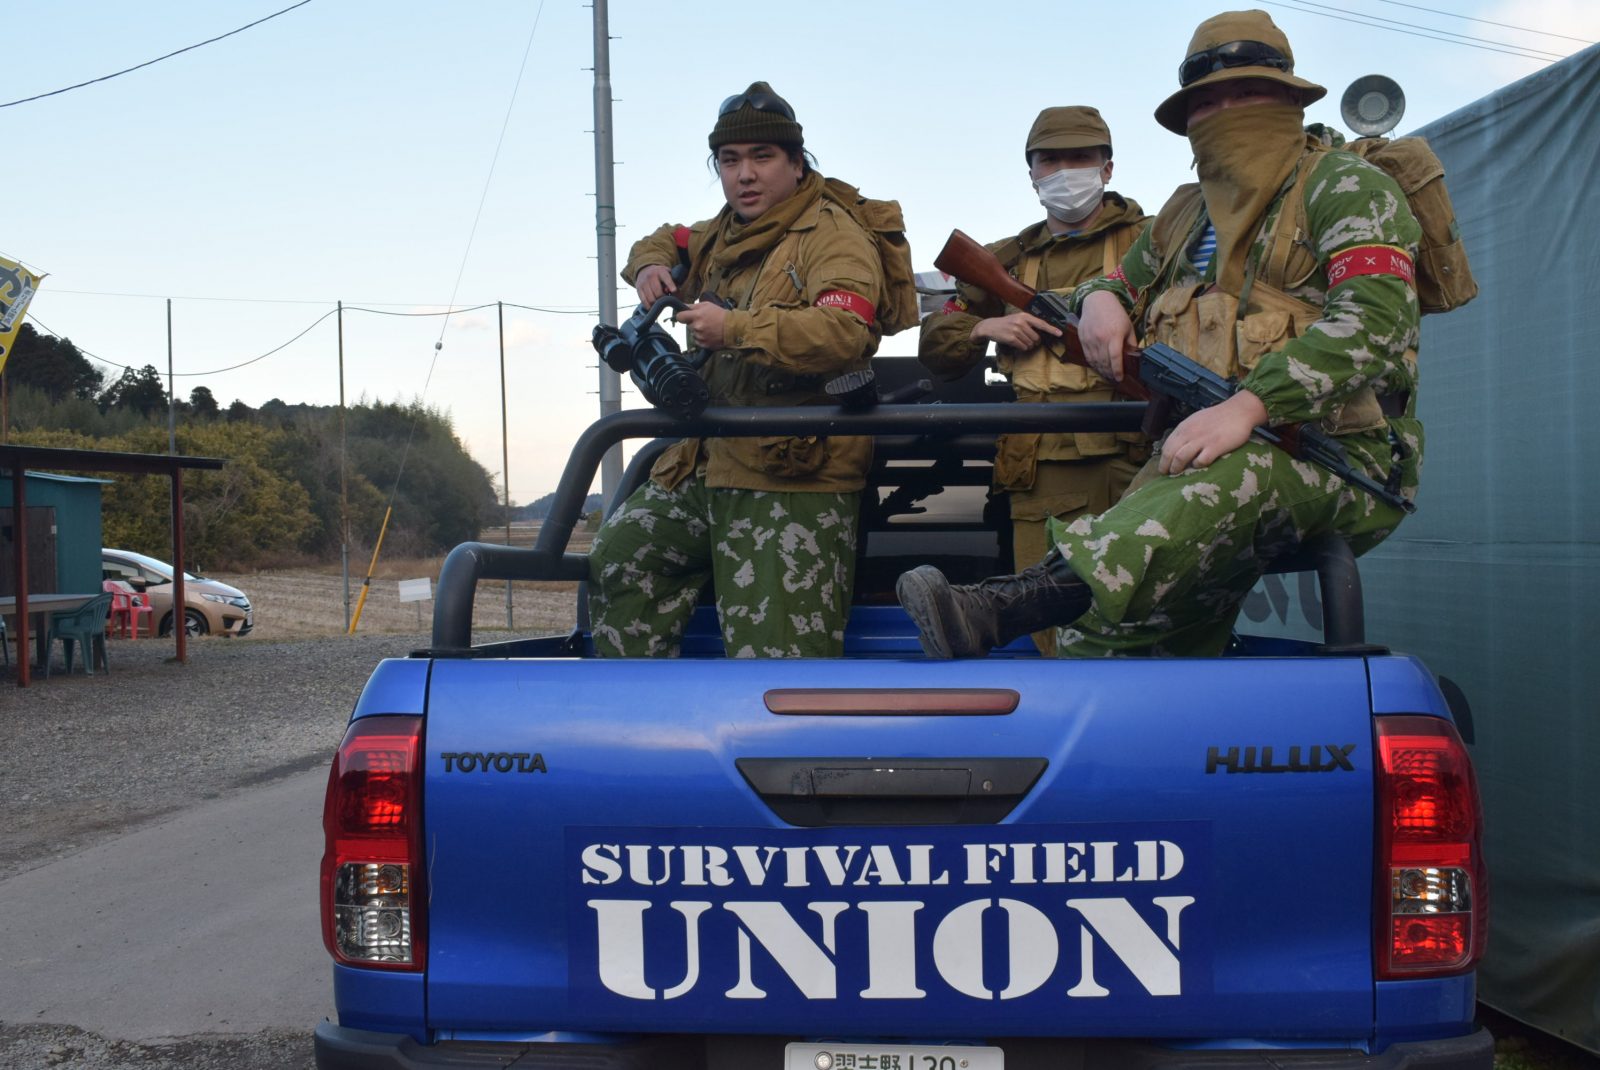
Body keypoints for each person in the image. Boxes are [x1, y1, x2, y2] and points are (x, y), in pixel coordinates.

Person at [897, 8, 1424, 659]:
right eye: (1208, 103)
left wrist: (1250, 405)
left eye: (1248, 94)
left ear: (1291, 101)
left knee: (1227, 480)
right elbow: (1119, 282)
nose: (1226, 114)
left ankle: (1006, 605)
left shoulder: (1345, 187)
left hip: (1336, 458)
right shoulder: (1187, 216)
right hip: (1200, 455)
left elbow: (1374, 321)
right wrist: (1100, 300)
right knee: (1118, 640)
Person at [588, 82, 891, 658]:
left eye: (762, 157)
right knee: (621, 557)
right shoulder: (723, 232)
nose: (745, 175)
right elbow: (666, 238)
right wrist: (649, 265)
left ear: (797, 164)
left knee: (776, 656)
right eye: (729, 161)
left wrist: (736, 329)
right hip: (705, 463)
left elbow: (846, 331)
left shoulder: (833, 234)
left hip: (791, 475)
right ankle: (639, 710)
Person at [917, 106, 1148, 654]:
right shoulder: (1007, 259)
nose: (1064, 171)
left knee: (1142, 618)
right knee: (1049, 626)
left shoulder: (1154, 242)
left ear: (1107, 168)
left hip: (1139, 452)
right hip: (1044, 464)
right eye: (1050, 160)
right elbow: (936, 345)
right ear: (1032, 173)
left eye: (1080, 158)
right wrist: (983, 327)